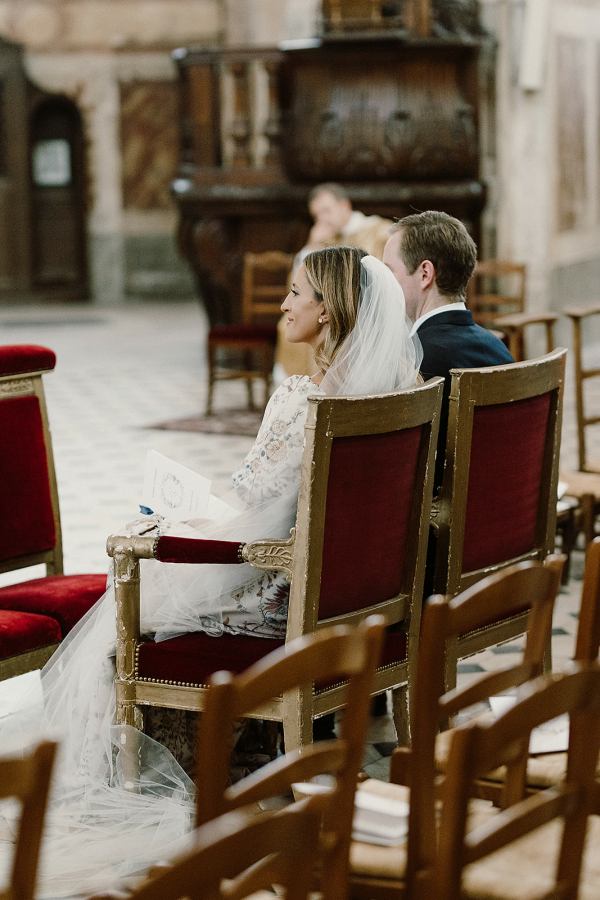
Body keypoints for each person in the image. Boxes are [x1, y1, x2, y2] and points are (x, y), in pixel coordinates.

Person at [1, 247, 421, 898]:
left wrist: (176, 525)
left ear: (329, 311)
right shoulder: (396, 395)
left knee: (123, 612)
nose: (283, 304)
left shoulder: (301, 399)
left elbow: (250, 497)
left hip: (284, 604)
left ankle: (152, 777)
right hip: (352, 598)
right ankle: (238, 750)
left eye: (295, 293)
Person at [383, 210, 513, 484]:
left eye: (389, 271)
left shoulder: (416, 360)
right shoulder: (496, 347)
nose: (383, 284)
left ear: (425, 273)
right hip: (505, 512)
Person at [276, 184, 393, 380]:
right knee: (292, 321)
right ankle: (305, 387)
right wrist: (312, 246)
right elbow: (297, 286)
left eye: (326, 211)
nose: (322, 220)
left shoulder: (378, 231)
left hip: (364, 310)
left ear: (345, 206)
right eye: (317, 215)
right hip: (327, 307)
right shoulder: (324, 237)